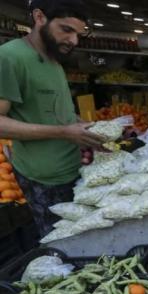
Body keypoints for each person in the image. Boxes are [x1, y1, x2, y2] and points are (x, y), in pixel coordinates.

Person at [0, 0, 104, 237]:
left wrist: (85, 129)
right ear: (39, 17)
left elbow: (55, 112)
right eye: (66, 30)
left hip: (73, 171)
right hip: (44, 179)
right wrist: (64, 132)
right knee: (64, 248)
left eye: (78, 34)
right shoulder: (9, 57)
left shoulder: (52, 58)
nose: (73, 41)